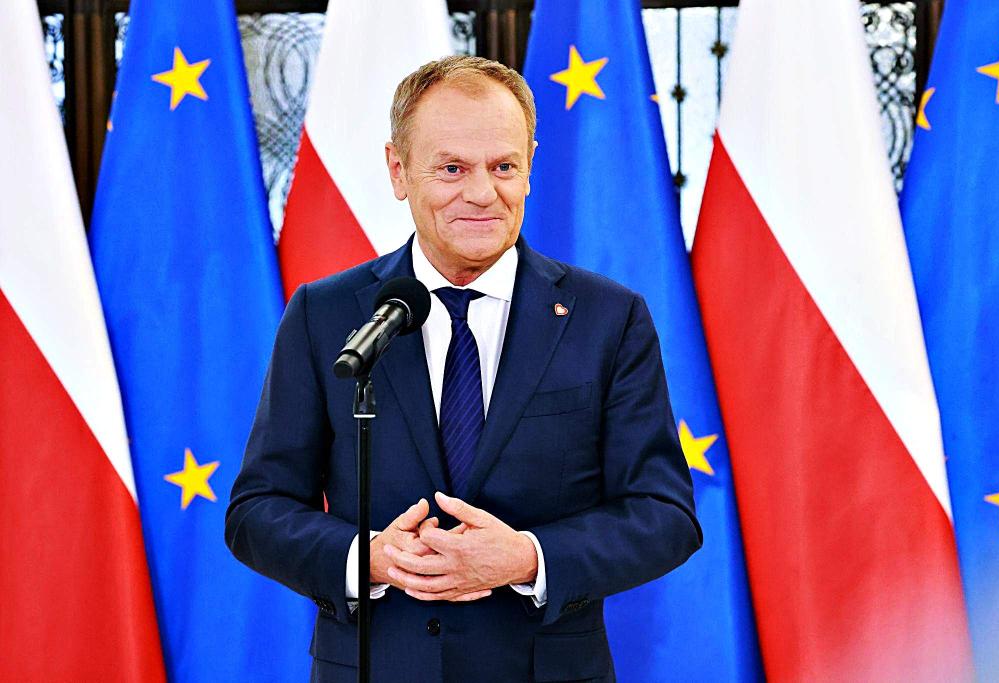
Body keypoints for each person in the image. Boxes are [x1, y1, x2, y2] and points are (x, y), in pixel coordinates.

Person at [226, 55, 701, 683]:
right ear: (398, 170)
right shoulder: (327, 314)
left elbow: (665, 514)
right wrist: (367, 559)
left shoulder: (608, 318)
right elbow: (257, 509)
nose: (482, 192)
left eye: (504, 167)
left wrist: (527, 558)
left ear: (530, 166)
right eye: (452, 168)